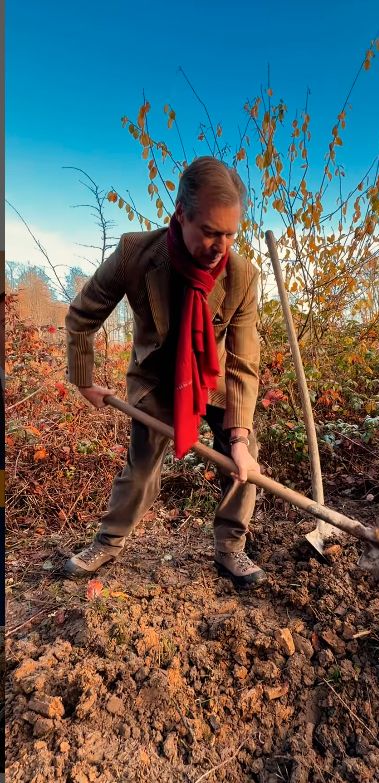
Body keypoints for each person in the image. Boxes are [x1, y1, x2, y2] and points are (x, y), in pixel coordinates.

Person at [64, 156, 265, 587]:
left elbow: (245, 362)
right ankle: (108, 541)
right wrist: (83, 378)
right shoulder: (135, 254)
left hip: (213, 380)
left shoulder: (243, 275)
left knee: (245, 464)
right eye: (210, 231)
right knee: (140, 468)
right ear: (181, 216)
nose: (220, 246)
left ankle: (231, 547)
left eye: (230, 234)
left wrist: (240, 438)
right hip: (156, 378)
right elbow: (82, 315)